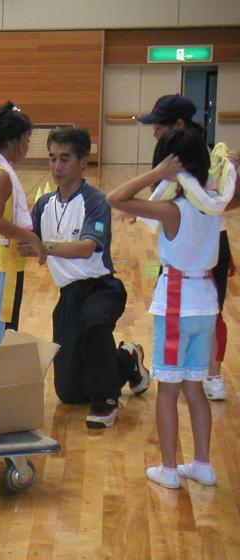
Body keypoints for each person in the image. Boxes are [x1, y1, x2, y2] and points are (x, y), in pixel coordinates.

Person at [106, 128, 220, 489]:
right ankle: (202, 464)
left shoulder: (172, 210)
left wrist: (157, 174)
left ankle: (169, 468)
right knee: (194, 388)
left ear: (173, 165)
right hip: (206, 304)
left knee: (168, 390)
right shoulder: (213, 204)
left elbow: (115, 197)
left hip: (176, 305)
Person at [21, 127, 149, 430]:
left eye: (64, 159)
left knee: (94, 323)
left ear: (82, 162)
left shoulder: (96, 201)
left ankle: (106, 399)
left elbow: (87, 247)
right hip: (69, 295)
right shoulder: (43, 204)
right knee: (69, 393)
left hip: (102, 288)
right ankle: (127, 358)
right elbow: (26, 241)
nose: (57, 166)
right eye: (52, 158)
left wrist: (44, 247)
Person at [139, 94, 233, 401]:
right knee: (186, 308)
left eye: (159, 126)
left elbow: (228, 198)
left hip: (209, 242)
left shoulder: (210, 159)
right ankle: (184, 372)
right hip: (181, 236)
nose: (154, 132)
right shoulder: (170, 156)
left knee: (210, 310)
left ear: (178, 124)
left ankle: (211, 374)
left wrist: (209, 207)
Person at [0, 102, 44, 347]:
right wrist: (30, 236)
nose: (28, 147)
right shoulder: (0, 175)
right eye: (27, 140)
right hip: (0, 262)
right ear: (14, 141)